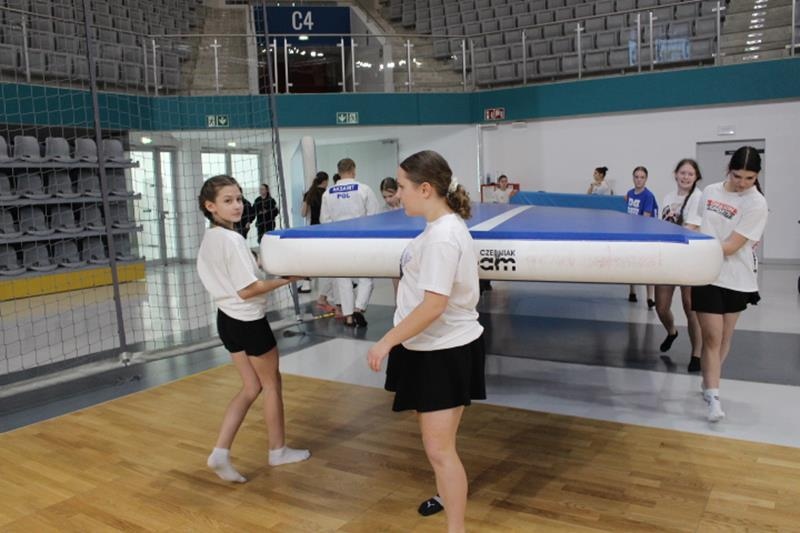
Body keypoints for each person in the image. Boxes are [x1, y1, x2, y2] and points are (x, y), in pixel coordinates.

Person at [367, 150, 485, 533]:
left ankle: (456, 528)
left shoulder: (443, 237)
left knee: (440, 450)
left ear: (425, 188)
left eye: (402, 187)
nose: (397, 194)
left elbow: (434, 305)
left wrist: (385, 341)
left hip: (443, 351)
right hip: (425, 347)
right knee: (436, 446)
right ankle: (444, 494)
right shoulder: (436, 230)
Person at [196, 175, 310, 483]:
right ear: (210, 206)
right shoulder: (231, 240)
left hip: (226, 321)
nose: (237, 205)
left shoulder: (211, 238)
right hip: (248, 321)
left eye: (238, 199)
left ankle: (220, 452)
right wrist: (289, 279)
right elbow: (248, 290)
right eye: (227, 201)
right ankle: (278, 451)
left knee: (251, 387)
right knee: (271, 384)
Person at [692, 146, 767, 422]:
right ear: (729, 170)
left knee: (724, 337)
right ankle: (714, 397)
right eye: (737, 176)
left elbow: (733, 246)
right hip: (707, 273)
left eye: (750, 178)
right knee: (712, 336)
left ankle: (709, 381)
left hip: (738, 278)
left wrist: (699, 247)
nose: (743, 183)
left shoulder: (757, 203)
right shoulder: (710, 191)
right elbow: (696, 225)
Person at [655, 159, 704, 372]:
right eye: (682, 173)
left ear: (696, 177)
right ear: (675, 174)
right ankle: (672, 331)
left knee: (690, 306)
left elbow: (690, 227)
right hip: (669, 257)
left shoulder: (698, 198)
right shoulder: (668, 197)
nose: (686, 177)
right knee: (661, 307)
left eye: (690, 174)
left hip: (690, 257)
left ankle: (697, 354)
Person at [320, 158, 380, 327]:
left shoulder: (328, 193)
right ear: (353, 170)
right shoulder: (363, 189)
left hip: (338, 240)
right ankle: (358, 308)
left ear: (338, 172)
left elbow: (324, 220)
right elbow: (374, 216)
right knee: (365, 276)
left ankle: (348, 316)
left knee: (343, 279)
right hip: (361, 239)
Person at [625, 166, 658, 309]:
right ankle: (632, 291)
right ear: (633, 178)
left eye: (642, 177)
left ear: (646, 179)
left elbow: (646, 217)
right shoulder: (629, 193)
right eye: (636, 177)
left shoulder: (648, 196)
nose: (639, 180)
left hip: (645, 234)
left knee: (648, 265)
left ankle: (650, 297)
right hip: (631, 233)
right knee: (631, 263)